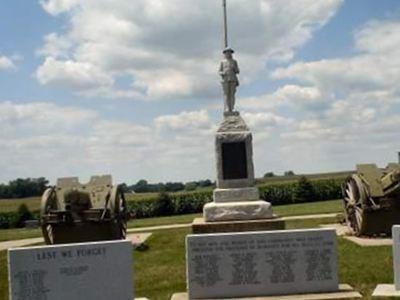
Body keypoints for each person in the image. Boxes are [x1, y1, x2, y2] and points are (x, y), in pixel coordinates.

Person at [219, 47, 240, 113]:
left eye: (230, 52)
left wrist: (234, 69)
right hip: (225, 79)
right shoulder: (222, 62)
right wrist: (222, 73)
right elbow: (219, 71)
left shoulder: (234, 61)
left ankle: (232, 108)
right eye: (227, 52)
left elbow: (238, 71)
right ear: (225, 53)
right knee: (226, 94)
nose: (228, 53)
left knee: (232, 94)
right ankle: (227, 108)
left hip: (233, 79)